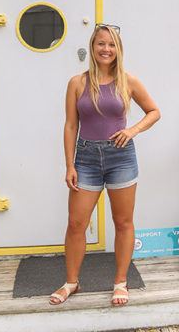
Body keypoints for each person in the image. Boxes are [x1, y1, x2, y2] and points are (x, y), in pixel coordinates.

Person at [49, 24, 160, 307]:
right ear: (93, 46)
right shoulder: (77, 83)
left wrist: (132, 130)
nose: (106, 49)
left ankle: (120, 282)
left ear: (118, 49)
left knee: (122, 222)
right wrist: (69, 165)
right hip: (85, 158)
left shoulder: (129, 81)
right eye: (101, 44)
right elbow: (71, 124)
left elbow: (154, 112)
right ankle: (71, 282)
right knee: (76, 223)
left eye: (111, 45)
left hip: (120, 157)